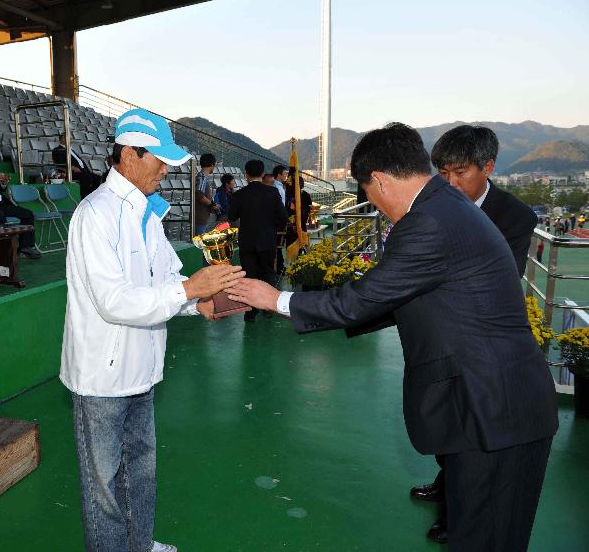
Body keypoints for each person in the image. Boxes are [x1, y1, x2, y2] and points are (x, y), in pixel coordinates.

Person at [228, 122, 558, 552]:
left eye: (369, 193)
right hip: (491, 404)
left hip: (494, 409)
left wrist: (277, 300)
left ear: (379, 180)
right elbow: (396, 298)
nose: (375, 205)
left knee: (486, 539)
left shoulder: (429, 222)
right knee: (477, 532)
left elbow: (362, 299)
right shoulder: (445, 208)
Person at [61, 108, 243, 552]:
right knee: (104, 487)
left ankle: (139, 546)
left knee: (140, 471)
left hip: (141, 368)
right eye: (157, 160)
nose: (164, 169)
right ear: (128, 154)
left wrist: (198, 303)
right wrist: (188, 290)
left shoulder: (147, 215)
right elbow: (115, 301)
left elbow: (165, 285)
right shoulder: (95, 215)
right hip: (101, 378)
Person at [397, 124, 540, 543]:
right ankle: (447, 485)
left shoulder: (515, 216)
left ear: (488, 167)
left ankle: (455, 513)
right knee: (446, 424)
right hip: (436, 341)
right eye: (442, 172)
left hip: (482, 344)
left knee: (473, 435)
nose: (450, 182)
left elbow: (503, 277)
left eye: (460, 172)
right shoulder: (430, 207)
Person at [227, 159, 286, 322]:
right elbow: (282, 217)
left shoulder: (239, 194)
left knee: (249, 275)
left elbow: (231, 216)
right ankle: (268, 308)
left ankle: (250, 311)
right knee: (267, 272)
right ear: (262, 174)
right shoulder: (272, 193)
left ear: (246, 175)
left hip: (247, 241)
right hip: (267, 240)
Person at [52, 133, 100, 198]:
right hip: (70, 172)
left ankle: (91, 197)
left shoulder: (71, 150)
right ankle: (83, 197)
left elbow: (79, 161)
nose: (70, 139)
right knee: (87, 178)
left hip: (82, 170)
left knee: (98, 178)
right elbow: (59, 163)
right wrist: (71, 167)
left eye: (70, 138)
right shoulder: (57, 150)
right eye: (67, 138)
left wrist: (87, 169)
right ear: (61, 140)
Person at [193, 153, 220, 235]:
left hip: (201, 217)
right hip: (200, 217)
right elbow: (199, 195)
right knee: (198, 244)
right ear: (212, 164)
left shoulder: (202, 176)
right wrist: (212, 204)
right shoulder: (202, 177)